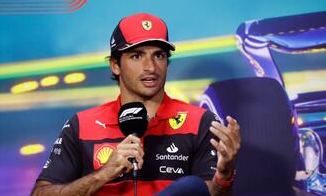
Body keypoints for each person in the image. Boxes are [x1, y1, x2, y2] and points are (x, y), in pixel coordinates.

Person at [31, 12, 241, 196]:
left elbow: (210, 193)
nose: (150, 67)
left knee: (191, 187)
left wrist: (223, 175)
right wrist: (103, 174)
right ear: (115, 65)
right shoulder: (81, 124)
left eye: (158, 55)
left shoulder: (201, 121)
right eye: (137, 56)